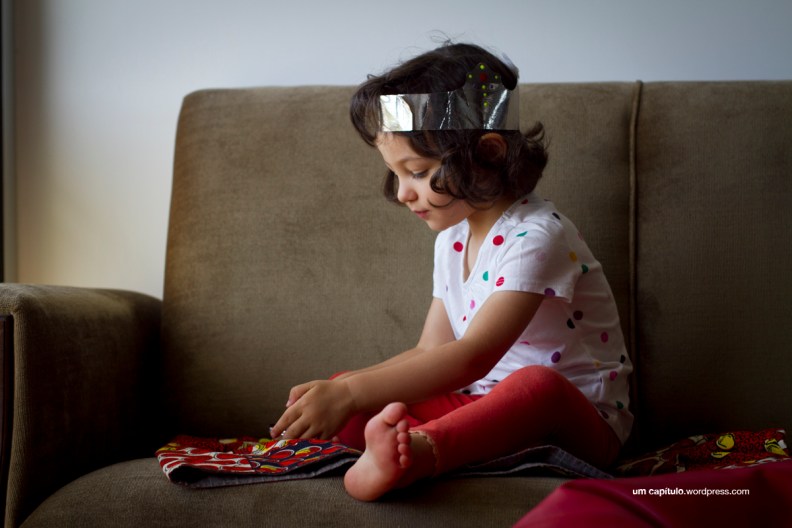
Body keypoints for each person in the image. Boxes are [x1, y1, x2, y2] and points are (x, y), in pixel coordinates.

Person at [271, 42, 633, 501]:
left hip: (578, 424)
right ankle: (395, 445)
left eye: (418, 172)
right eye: (396, 174)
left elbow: (472, 358)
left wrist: (353, 394)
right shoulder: (453, 238)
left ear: (489, 153)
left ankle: (420, 454)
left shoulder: (538, 237)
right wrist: (342, 391)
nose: (402, 193)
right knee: (349, 391)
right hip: (479, 405)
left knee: (537, 386)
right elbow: (431, 350)